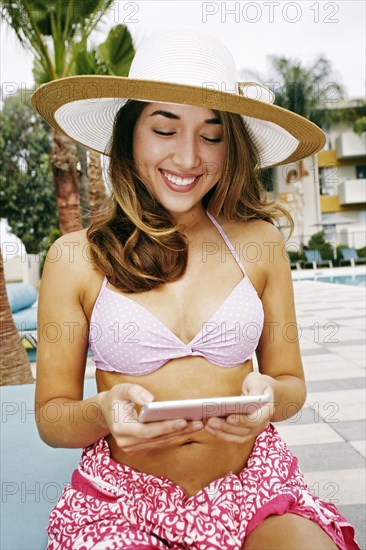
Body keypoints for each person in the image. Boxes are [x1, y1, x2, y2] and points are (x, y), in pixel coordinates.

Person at [32, 29, 359, 550]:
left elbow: (291, 383)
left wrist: (270, 399)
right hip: (125, 502)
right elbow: (53, 417)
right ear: (129, 134)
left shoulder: (259, 243)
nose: (189, 158)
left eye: (211, 136)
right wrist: (101, 412)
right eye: (165, 129)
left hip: (254, 491)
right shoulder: (76, 258)